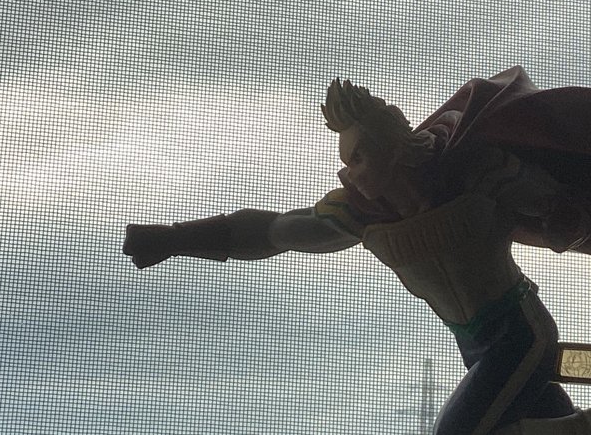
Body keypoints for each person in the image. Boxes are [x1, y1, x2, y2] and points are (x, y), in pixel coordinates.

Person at [123, 68, 591, 434]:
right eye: (346, 162)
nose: (348, 174)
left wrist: (559, 217)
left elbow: (561, 209)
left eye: (359, 158)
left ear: (395, 147)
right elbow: (273, 232)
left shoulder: (476, 175)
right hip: (474, 346)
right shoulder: (361, 217)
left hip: (521, 334)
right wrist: (177, 239)